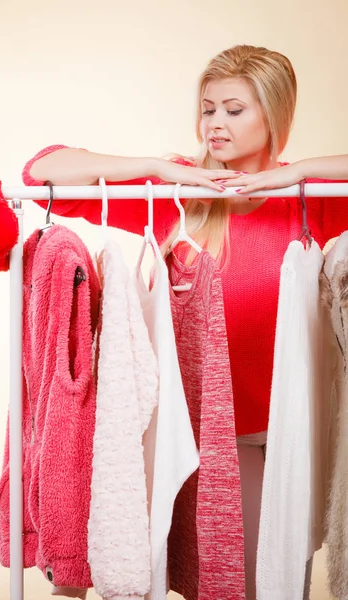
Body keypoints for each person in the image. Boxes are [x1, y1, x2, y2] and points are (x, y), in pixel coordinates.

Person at [22, 44, 348, 599]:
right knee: (226, 582)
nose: (215, 124)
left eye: (234, 110)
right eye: (207, 108)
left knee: (282, 577)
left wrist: (291, 175)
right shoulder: (179, 195)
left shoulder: (306, 197)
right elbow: (42, 168)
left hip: (292, 422)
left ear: (273, 114)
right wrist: (157, 170)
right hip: (207, 430)